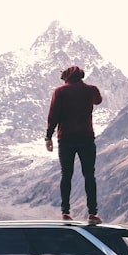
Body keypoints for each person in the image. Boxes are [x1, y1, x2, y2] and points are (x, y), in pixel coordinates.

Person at [45, 66, 103, 224]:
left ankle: (65, 212)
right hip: (86, 138)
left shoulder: (60, 92)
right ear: (81, 76)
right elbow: (98, 100)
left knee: (66, 175)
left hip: (66, 139)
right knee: (89, 175)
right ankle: (92, 213)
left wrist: (48, 136)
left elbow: (53, 115)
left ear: (66, 77)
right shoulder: (91, 90)